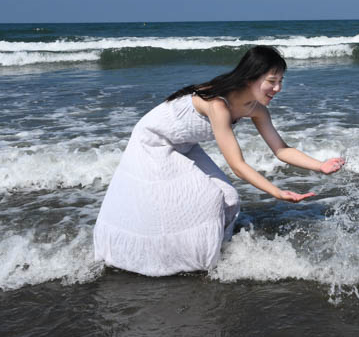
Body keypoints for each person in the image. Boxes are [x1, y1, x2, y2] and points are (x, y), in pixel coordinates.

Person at [93, 45, 345, 276]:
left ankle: (214, 258)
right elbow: (237, 165)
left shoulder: (257, 109)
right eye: (271, 81)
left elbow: (281, 149)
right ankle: (189, 263)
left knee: (230, 198)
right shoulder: (218, 104)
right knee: (209, 199)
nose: (277, 88)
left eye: (280, 81)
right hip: (153, 142)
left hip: (184, 144)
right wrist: (275, 192)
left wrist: (319, 165)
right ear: (251, 77)